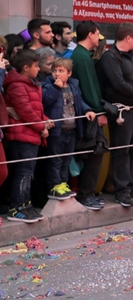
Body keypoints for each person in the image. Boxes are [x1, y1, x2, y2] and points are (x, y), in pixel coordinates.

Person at [97, 22, 133, 208]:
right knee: (122, 151)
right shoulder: (110, 57)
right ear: (128, 37)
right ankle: (122, 190)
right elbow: (118, 83)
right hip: (123, 111)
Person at [3, 49, 52, 223]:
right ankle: (17, 207)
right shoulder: (17, 85)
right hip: (21, 135)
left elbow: (36, 110)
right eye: (36, 66)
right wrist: (41, 127)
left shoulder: (32, 83)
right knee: (23, 173)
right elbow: (25, 112)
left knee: (28, 173)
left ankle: (26, 204)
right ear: (25, 67)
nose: (39, 69)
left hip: (31, 134)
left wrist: (45, 121)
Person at [42, 58, 96, 201]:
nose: (57, 74)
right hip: (57, 131)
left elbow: (79, 102)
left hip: (71, 130)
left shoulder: (74, 86)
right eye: (54, 71)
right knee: (56, 160)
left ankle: (63, 184)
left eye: (61, 71)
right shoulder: (48, 85)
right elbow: (45, 101)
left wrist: (87, 110)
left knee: (66, 160)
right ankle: (54, 186)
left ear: (69, 73)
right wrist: (56, 88)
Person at [70, 21, 107, 210]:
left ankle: (86, 193)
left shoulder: (82, 55)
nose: (99, 39)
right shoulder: (82, 57)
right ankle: (86, 194)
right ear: (91, 34)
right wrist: (98, 110)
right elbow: (88, 88)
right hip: (89, 114)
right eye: (97, 34)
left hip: (87, 111)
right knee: (95, 152)